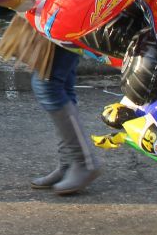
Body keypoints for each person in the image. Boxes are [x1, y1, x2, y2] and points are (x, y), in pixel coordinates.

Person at [28, 43, 102, 195]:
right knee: (62, 83)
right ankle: (69, 163)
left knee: (47, 84)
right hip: (64, 28)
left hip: (68, 27)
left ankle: (84, 163)